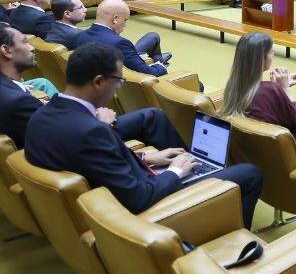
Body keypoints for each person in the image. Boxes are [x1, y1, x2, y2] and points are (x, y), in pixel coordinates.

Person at [24, 43, 263, 227]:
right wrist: (175, 172)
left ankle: (207, 182)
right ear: (98, 82)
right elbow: (139, 198)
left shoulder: (41, 115)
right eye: (118, 80)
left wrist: (147, 160)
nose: (119, 87)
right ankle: (231, 237)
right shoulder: (92, 131)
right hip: (142, 215)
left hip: (106, 199)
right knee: (250, 174)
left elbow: (93, 164)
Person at [220, 32, 296, 144]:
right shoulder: (269, 90)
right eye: (271, 51)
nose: (273, 54)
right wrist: (285, 91)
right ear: (262, 59)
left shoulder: (232, 87)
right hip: (287, 154)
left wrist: (278, 89)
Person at [73, 0, 172, 76]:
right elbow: (147, 73)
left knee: (153, 37)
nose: (125, 25)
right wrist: (160, 66)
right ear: (115, 19)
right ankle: (161, 61)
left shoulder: (81, 35)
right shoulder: (120, 43)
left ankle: (158, 59)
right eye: (125, 20)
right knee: (160, 65)